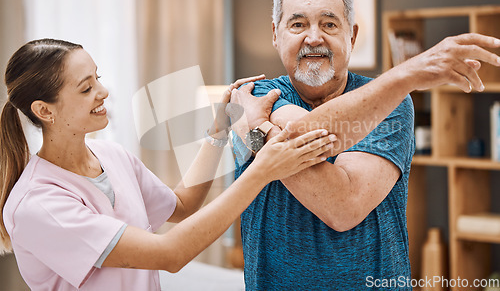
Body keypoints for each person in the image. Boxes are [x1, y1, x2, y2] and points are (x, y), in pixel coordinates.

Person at [229, 0, 500, 290]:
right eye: (298, 23)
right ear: (276, 34)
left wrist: (260, 130)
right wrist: (407, 75)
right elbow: (306, 134)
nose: (314, 37)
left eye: (329, 24)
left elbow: (343, 206)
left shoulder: (392, 103)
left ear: (352, 35)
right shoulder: (256, 94)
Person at [0, 38, 336, 290]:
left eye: (97, 78)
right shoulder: (38, 205)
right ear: (45, 111)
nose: (103, 92)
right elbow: (170, 253)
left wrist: (220, 128)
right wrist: (262, 172)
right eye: (86, 88)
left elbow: (181, 205)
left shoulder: (112, 156)